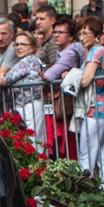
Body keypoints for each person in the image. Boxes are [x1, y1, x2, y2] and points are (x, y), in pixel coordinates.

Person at [72, 16, 104, 185]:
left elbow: (85, 80)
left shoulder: (96, 51)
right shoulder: (101, 50)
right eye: (80, 33)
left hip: (94, 109)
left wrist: (73, 75)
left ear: (96, 34)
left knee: (86, 156)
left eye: (85, 33)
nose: (81, 37)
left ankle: (85, 196)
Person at [0, 31, 46, 151]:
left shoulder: (29, 60)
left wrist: (1, 75)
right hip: (29, 104)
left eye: (23, 44)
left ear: (32, 47)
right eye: (16, 44)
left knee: (33, 141)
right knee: (34, 138)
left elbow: (7, 79)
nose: (19, 47)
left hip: (30, 104)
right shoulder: (33, 60)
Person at [42, 16, 83, 159]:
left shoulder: (71, 52)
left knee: (71, 146)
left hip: (73, 103)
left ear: (71, 36)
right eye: (54, 32)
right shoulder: (64, 51)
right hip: (68, 103)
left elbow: (48, 76)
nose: (56, 35)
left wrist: (43, 74)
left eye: (61, 32)